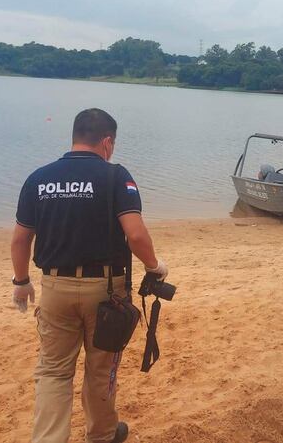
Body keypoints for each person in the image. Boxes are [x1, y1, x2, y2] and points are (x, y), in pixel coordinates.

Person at [11, 108, 168, 443]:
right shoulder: (115, 176)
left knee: (54, 371)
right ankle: (101, 435)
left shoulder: (38, 178)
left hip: (55, 288)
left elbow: (20, 238)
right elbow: (136, 235)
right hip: (105, 293)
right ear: (107, 142)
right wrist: (155, 266)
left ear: (75, 137)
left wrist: (21, 282)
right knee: (101, 369)